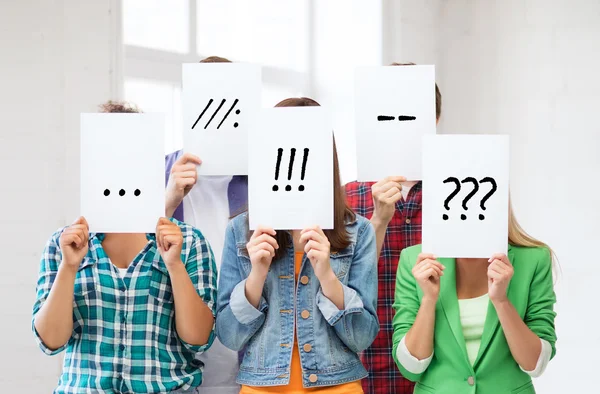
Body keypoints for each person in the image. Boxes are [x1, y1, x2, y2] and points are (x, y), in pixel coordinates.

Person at [32, 101, 217, 394]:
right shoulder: (62, 244)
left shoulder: (189, 242)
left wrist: (175, 265)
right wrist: (68, 267)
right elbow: (51, 341)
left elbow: (198, 338)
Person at [216, 97, 379, 393]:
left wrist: (327, 276)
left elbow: (363, 337)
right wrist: (256, 275)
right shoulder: (240, 231)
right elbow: (229, 335)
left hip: (338, 385)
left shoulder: (359, 231)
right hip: (262, 387)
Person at [344, 62, 442, 394]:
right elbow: (335, 290)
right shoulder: (345, 199)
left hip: (441, 373)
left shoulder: (455, 195)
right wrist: (378, 221)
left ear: (434, 121)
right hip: (364, 372)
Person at [392, 203, 557, 393]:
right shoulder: (414, 259)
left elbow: (534, 364)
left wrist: (501, 301)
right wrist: (428, 300)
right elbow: (411, 368)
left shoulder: (534, 259)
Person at [165, 55, 248, 394]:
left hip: (248, 361)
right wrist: (168, 200)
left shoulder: (263, 181)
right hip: (175, 363)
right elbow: (126, 258)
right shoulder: (158, 173)